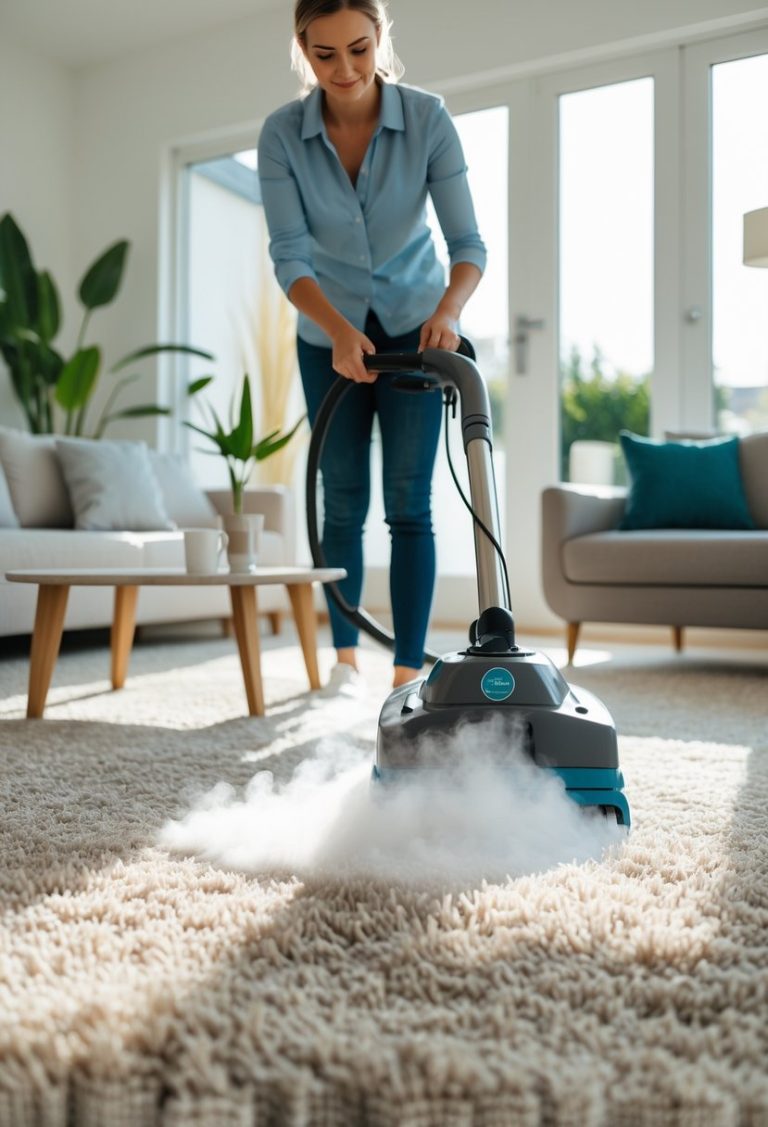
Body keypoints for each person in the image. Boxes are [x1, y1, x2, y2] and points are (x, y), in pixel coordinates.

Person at [258, 0, 486, 692]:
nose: (346, 69)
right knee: (342, 499)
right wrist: (336, 328)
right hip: (327, 330)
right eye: (324, 55)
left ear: (380, 35)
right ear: (302, 47)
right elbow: (290, 257)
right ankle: (345, 661)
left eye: (359, 48)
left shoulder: (428, 120)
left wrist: (448, 309)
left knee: (409, 501)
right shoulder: (280, 136)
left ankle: (407, 670)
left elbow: (468, 245)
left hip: (418, 328)